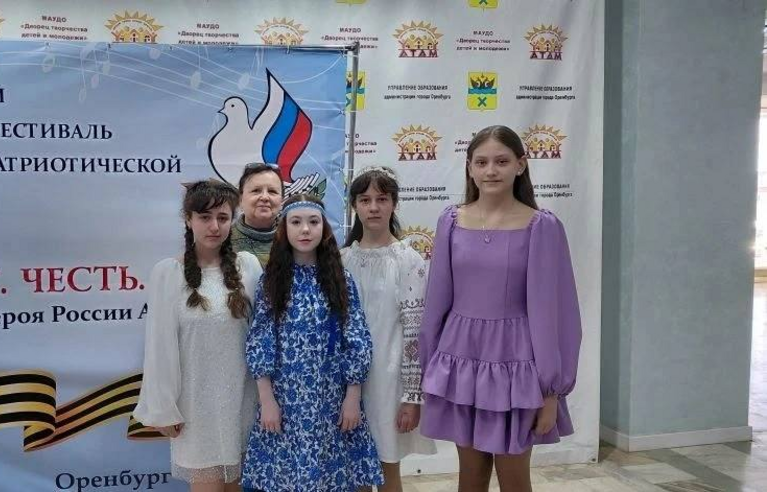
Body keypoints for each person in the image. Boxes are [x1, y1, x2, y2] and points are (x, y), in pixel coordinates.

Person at [419, 125, 582, 492]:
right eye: (481, 162)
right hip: (460, 361)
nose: (491, 170)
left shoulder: (542, 226)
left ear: (520, 165)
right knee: (470, 479)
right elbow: (437, 301)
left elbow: (556, 314)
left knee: (514, 480)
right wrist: (431, 370)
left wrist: (551, 391)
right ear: (469, 167)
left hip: (516, 367)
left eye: (501, 161)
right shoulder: (450, 221)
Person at [241, 193, 383, 492]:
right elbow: (261, 340)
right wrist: (267, 401)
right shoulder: (271, 281)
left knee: (332, 480)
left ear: (324, 228)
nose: (305, 230)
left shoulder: (341, 279)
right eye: (296, 222)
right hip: (286, 401)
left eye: (313, 222)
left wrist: (352, 397)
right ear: (284, 229)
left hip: (332, 400)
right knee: (288, 479)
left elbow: (356, 336)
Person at [133, 180, 264, 492]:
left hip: (244, 402)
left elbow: (263, 337)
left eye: (223, 217)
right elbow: (159, 347)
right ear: (188, 219)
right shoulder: (168, 273)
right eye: (205, 217)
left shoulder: (248, 266)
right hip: (195, 408)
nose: (214, 226)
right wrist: (163, 408)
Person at [341, 166, 436, 492]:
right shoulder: (342, 260)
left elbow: (415, 333)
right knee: (352, 470)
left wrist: (412, 397)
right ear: (354, 205)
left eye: (382, 199)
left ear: (394, 203)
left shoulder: (408, 260)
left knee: (385, 469)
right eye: (365, 200)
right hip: (346, 383)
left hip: (388, 382)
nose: (373, 207)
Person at [230, 163, 283, 265]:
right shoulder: (223, 240)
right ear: (240, 199)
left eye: (272, 191)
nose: (264, 197)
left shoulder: (294, 239)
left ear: (282, 201)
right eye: (256, 191)